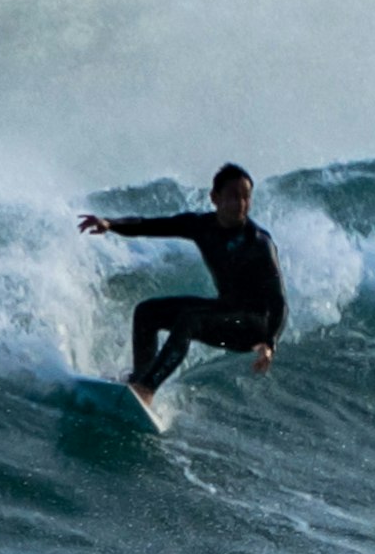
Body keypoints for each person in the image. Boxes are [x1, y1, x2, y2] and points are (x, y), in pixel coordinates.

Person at [78, 163, 285, 394]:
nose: (241, 204)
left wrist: (269, 343)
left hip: (252, 326)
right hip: (224, 311)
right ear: (215, 198)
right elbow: (150, 225)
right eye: (234, 196)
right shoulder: (202, 226)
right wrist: (110, 224)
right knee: (147, 313)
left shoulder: (258, 243)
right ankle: (139, 379)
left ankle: (146, 388)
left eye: (246, 197)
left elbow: (279, 302)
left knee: (189, 320)